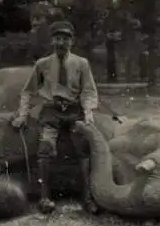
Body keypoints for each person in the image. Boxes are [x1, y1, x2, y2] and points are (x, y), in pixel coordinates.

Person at [11, 20, 99, 214]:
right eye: (58, 39)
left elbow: (89, 91)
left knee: (83, 148)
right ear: (52, 41)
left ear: (72, 41)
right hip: (51, 111)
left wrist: (88, 112)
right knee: (45, 148)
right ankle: (44, 197)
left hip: (74, 111)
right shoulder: (42, 64)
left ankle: (87, 197)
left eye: (65, 39)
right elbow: (27, 91)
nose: (61, 43)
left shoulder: (81, 63)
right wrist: (23, 114)